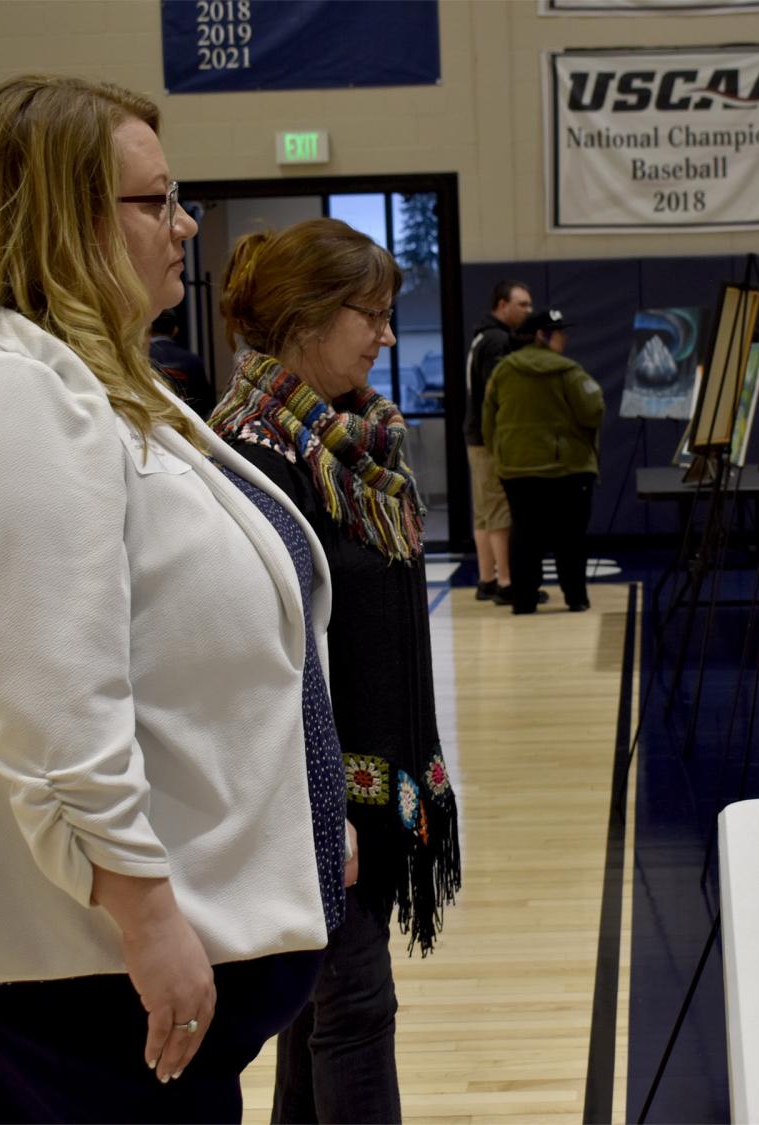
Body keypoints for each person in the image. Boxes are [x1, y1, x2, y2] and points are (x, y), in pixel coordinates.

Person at [0, 76, 348, 1122]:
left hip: (109, 961)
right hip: (64, 968)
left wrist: (304, 812)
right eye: (156, 200)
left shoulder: (89, 376)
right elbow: (54, 698)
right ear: (58, 216)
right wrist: (144, 915)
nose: (185, 225)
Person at [212, 217, 462, 1124]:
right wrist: (318, 804)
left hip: (370, 787)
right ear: (307, 318)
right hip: (314, 796)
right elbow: (262, 658)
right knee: (353, 1006)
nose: (387, 336)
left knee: (323, 1009)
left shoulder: (360, 441)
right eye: (373, 314)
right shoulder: (249, 454)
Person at [482, 308, 604, 615]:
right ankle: (576, 598)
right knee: (571, 537)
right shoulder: (568, 371)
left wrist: (503, 454)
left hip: (517, 470)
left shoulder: (503, 371)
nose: (565, 338)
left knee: (524, 535)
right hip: (569, 470)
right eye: (560, 332)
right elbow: (593, 411)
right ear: (542, 335)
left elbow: (488, 421)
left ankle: (523, 601)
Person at [464, 279, 531, 604]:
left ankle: (487, 580)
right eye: (522, 304)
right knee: (499, 509)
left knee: (484, 511)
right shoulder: (497, 340)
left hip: (476, 435)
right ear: (502, 305)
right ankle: (506, 583)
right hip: (489, 438)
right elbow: (498, 393)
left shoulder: (482, 335)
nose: (528, 310)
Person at [149, 304, 215, 418]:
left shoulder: (140, 358)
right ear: (175, 330)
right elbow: (205, 402)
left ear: (148, 330)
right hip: (186, 419)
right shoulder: (191, 360)